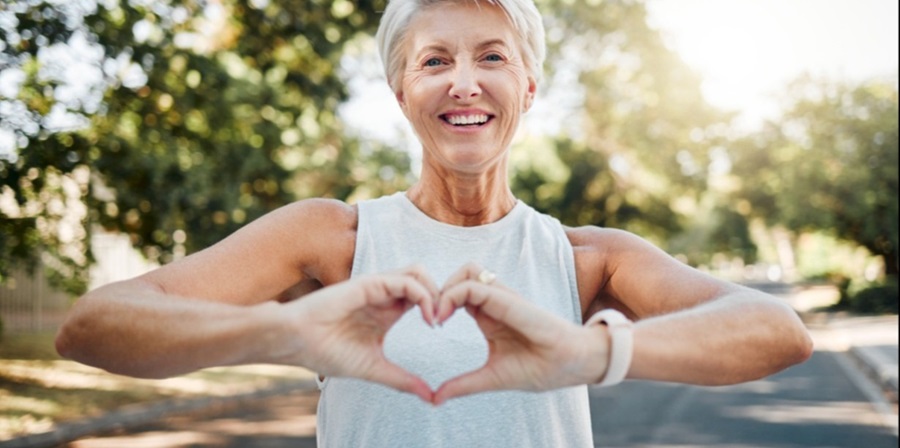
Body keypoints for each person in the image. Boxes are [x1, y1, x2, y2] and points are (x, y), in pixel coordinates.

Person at [55, 0, 814, 446]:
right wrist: (283, 334)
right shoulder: (331, 238)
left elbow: (776, 331)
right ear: (400, 91)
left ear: (527, 85)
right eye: (433, 61)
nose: (464, 81)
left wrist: (588, 352)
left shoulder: (588, 259)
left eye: (491, 56)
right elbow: (93, 325)